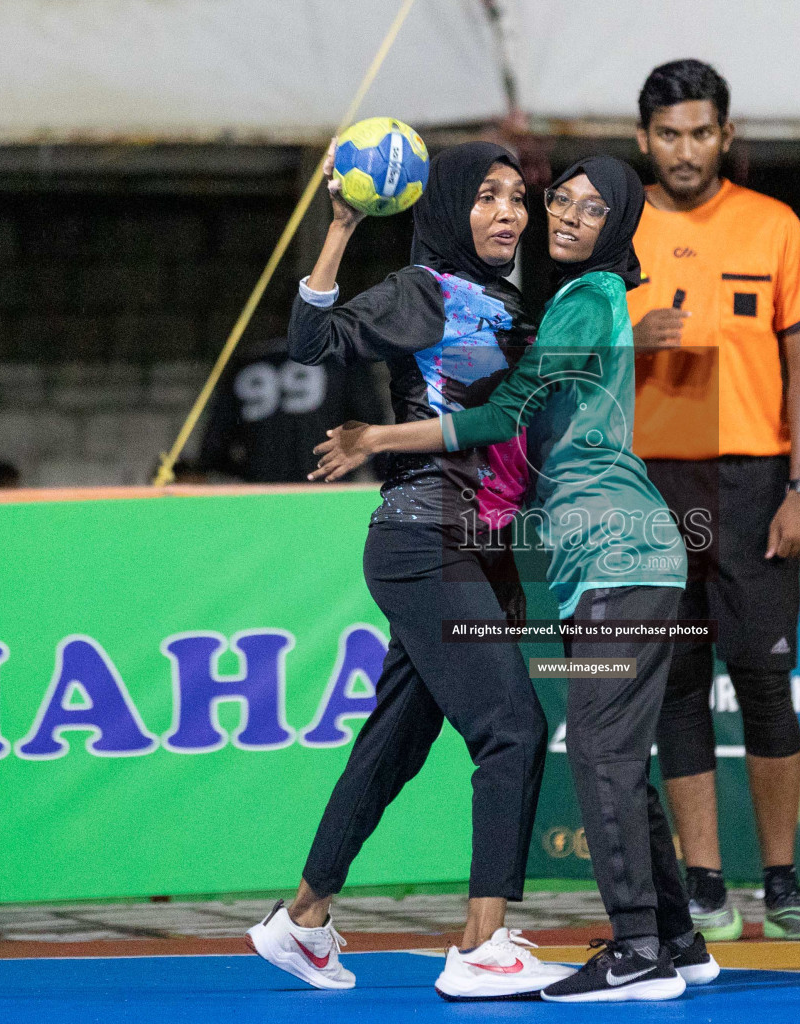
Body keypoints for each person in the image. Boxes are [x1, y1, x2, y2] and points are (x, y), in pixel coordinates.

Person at [317, 155, 719, 1003]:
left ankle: (638, 948)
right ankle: (678, 941)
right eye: (558, 200)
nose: (564, 215)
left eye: (590, 206)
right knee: (611, 754)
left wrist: (376, 439)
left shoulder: (584, 299)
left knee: (599, 750)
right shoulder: (573, 305)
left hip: (618, 554)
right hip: (604, 561)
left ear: (617, 225)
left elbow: (502, 415)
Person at [243, 141, 571, 1002]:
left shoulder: (503, 297)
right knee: (513, 729)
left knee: (398, 737)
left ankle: (302, 920)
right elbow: (313, 342)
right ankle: (482, 943)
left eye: (516, 199)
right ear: (447, 210)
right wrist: (341, 230)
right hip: (426, 539)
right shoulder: (424, 289)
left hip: (470, 544)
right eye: (487, 198)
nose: (509, 213)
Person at [625, 58, 800, 941]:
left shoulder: (773, 224)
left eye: (700, 132)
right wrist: (626, 335)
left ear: (726, 135)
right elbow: (559, 359)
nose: (684, 149)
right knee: (676, 687)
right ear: (644, 141)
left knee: (764, 680)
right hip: (651, 481)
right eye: (668, 134)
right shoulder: (610, 225)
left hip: (756, 484)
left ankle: (783, 882)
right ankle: (706, 887)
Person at [197, 336, 389, 483]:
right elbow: (371, 425)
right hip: (329, 493)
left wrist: (252, 472)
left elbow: (214, 449)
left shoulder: (243, 365)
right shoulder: (342, 359)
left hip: (264, 497)